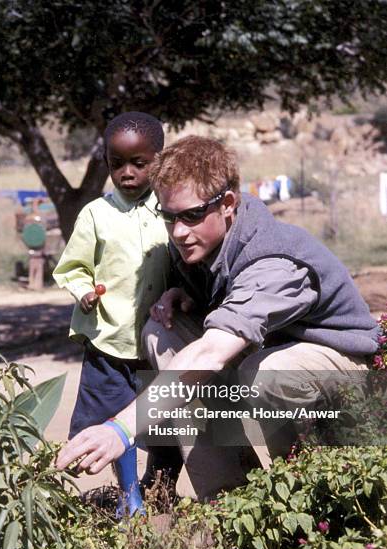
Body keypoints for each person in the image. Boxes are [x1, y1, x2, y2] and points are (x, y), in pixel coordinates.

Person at [56, 135, 379, 500]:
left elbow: (213, 351)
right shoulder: (204, 241)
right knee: (163, 333)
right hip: (268, 350)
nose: (179, 231)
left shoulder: (274, 260)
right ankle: (230, 499)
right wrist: (183, 294)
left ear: (227, 203)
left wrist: (121, 428)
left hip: (341, 364)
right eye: (168, 216)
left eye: (191, 215)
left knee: (263, 374)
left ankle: (306, 494)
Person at [53, 111, 173, 516]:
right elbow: (73, 266)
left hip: (160, 339)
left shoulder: (170, 210)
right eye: (116, 163)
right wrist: (84, 291)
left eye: (139, 164)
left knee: (166, 418)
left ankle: (161, 484)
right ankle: (129, 496)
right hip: (110, 339)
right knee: (115, 419)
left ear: (158, 159)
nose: (126, 173)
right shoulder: (95, 215)